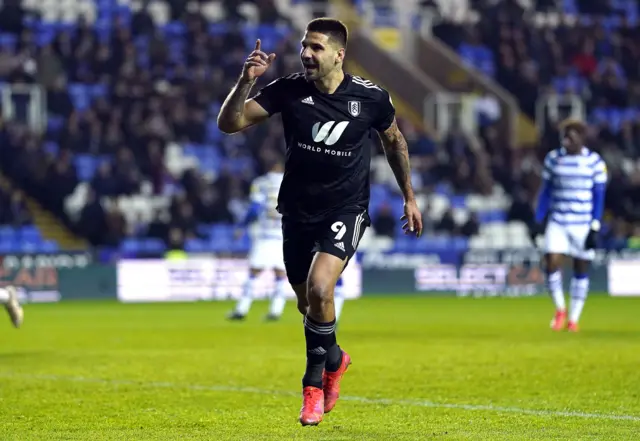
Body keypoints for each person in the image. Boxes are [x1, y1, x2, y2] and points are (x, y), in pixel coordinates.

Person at [217, 18, 422, 426]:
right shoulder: (288, 89)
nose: (306, 54)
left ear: (338, 54)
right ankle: (335, 358)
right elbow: (230, 124)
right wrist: (245, 81)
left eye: (315, 48)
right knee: (308, 305)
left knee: (320, 287)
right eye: (303, 46)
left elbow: (394, 142)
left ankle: (313, 388)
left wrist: (409, 196)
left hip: (346, 209)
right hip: (296, 211)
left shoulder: (372, 98)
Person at [530, 119, 607, 333]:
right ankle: (560, 309)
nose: (566, 140)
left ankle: (574, 318)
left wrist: (595, 225)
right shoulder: (554, 159)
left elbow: (599, 196)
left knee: (580, 268)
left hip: (582, 223)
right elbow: (545, 191)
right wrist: (539, 219)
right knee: (551, 262)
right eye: (564, 136)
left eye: (571, 137)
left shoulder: (594, 162)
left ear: (581, 138)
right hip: (559, 221)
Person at [227, 161, 289, 321]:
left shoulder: (261, 182)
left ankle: (242, 309)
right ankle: (276, 310)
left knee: (253, 272)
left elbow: (255, 208)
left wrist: (241, 226)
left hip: (265, 234)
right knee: (280, 274)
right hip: (284, 235)